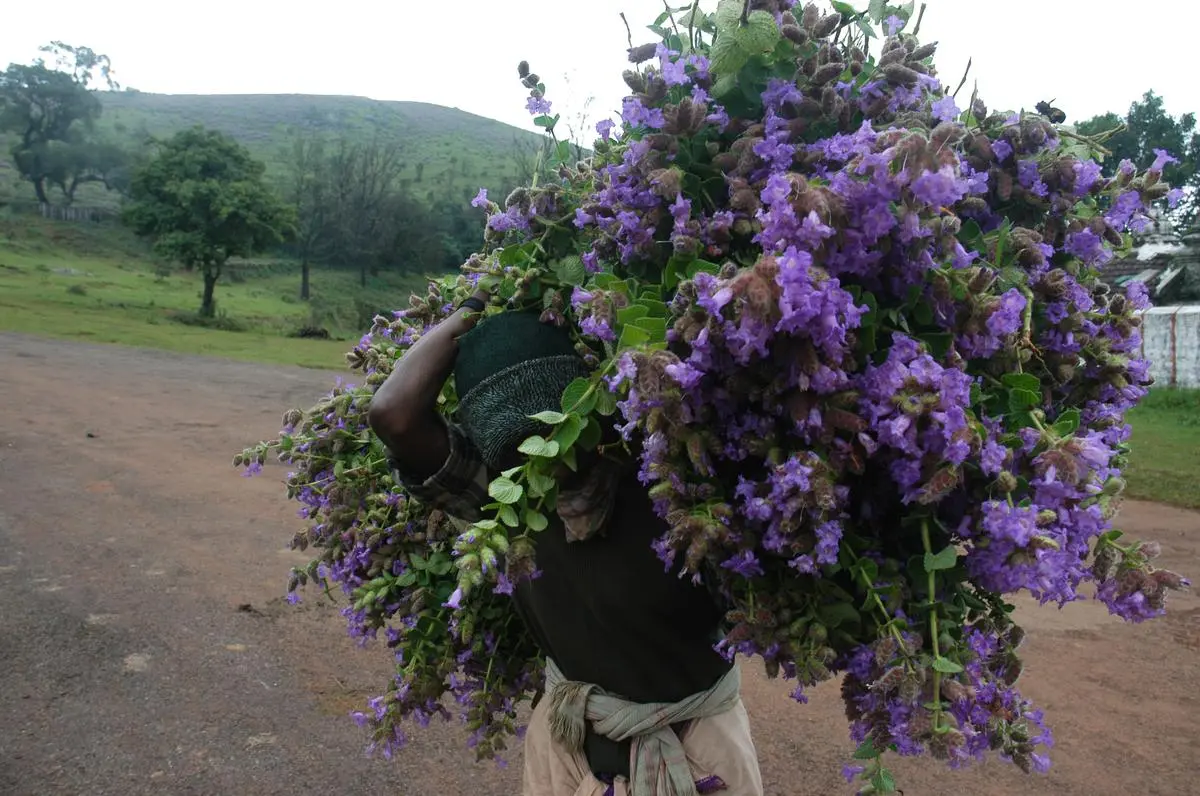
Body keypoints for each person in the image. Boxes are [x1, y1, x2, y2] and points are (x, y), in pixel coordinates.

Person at [367, 291, 764, 796]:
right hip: (567, 749)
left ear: (587, 414)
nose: (540, 471)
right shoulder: (507, 498)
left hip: (692, 754)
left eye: (551, 447)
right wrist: (482, 301)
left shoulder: (672, 490)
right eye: (520, 456)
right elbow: (393, 415)